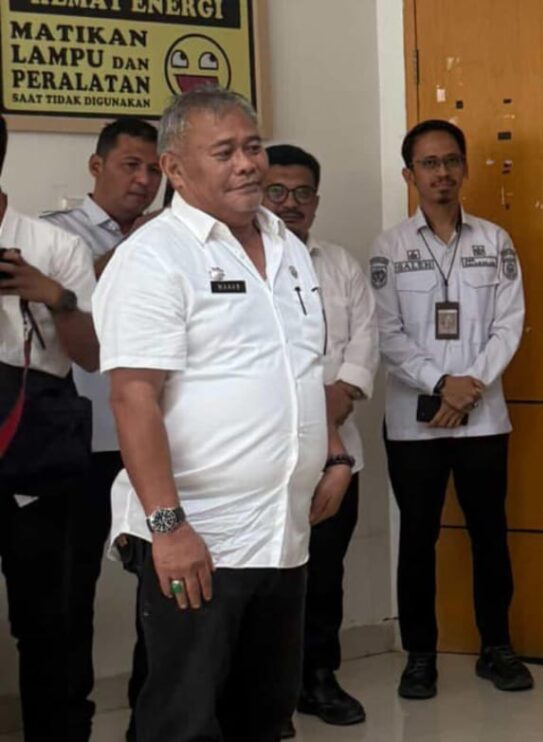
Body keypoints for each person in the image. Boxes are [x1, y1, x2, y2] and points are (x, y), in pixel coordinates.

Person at [93, 87, 351, 741]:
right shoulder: (155, 256)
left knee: (263, 717)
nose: (246, 164)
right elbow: (133, 397)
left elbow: (300, 370)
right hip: (197, 540)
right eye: (225, 151)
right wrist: (169, 528)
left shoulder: (289, 248)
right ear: (175, 169)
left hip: (283, 534)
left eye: (253, 147)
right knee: (182, 721)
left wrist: (336, 452)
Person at [371, 119, 530, 699]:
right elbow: (386, 333)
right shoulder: (389, 248)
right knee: (418, 540)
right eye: (429, 164)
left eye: (451, 161)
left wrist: (470, 387)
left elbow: (509, 323)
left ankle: (497, 648)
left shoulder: (495, 240)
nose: (442, 173)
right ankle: (420, 656)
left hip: (482, 417)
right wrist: (442, 383)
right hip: (414, 422)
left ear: (464, 168)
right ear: (409, 175)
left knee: (490, 535)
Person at [41, 116, 162, 740]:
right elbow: (57, 311)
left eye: (154, 169)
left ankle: (153, 715)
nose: (143, 181)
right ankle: (70, 722)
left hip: (152, 441)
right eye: (130, 166)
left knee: (162, 590)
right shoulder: (54, 233)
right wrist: (123, 254)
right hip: (79, 443)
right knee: (69, 595)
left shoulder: (171, 238)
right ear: (97, 166)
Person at [263, 144, 379, 736]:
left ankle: (318, 677)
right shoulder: (240, 264)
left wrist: (340, 394)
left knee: (325, 571)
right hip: (265, 454)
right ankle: (267, 693)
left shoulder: (338, 264)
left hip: (338, 451)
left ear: (316, 199)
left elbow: (365, 338)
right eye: (277, 192)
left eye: (302, 193)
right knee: (266, 576)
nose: (290, 204)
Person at [0, 113, 101, 741]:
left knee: (45, 619)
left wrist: (53, 295)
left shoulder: (53, 246)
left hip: (35, 451)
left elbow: (92, 355)